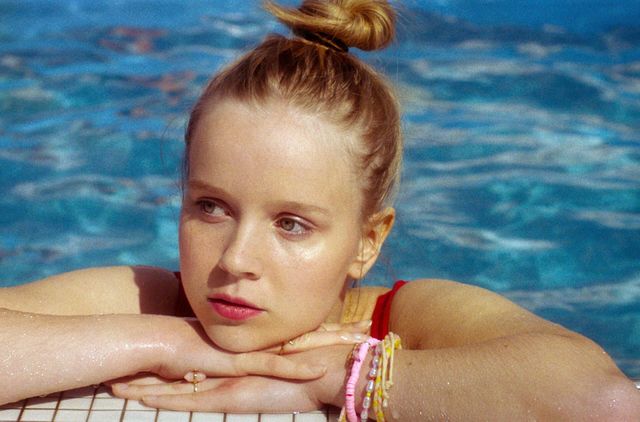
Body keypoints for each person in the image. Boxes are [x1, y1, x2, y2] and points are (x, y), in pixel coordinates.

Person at [1, 0, 638, 419]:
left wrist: (331, 379)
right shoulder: (158, 302)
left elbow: (599, 401)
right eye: (212, 207)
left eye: (291, 224)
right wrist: (169, 341)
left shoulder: (407, 319)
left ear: (367, 241)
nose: (236, 261)